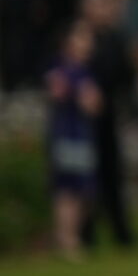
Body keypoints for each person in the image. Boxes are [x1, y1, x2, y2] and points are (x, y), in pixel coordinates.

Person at [76, 0, 138, 250]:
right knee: (85, 176)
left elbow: (127, 77)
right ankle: (83, 233)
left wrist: (134, 110)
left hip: (108, 115)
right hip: (82, 120)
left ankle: (120, 232)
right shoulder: (78, 37)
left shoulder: (115, 39)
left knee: (113, 175)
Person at [43, 22, 103, 260]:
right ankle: (67, 240)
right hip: (70, 136)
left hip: (76, 135)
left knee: (78, 192)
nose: (89, 44)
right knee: (70, 191)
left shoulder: (77, 70)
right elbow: (91, 103)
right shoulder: (69, 71)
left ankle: (70, 238)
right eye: (83, 38)